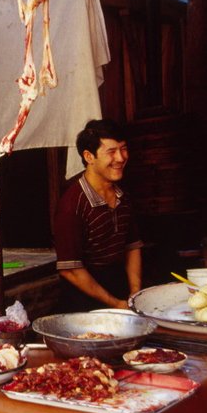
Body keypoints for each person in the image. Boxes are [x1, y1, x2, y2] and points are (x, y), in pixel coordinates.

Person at [53, 119, 143, 312]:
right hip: (84, 303)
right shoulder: (72, 204)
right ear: (89, 156)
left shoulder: (122, 194)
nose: (120, 158)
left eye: (123, 149)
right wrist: (116, 304)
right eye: (111, 152)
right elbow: (70, 270)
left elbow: (132, 246)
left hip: (119, 290)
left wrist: (135, 293)